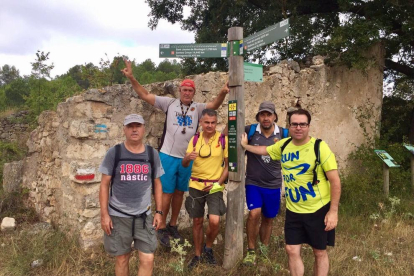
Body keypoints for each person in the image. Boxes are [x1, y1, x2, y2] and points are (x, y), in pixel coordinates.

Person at [121, 60, 229, 247]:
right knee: (167, 192)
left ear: (194, 93)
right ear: (180, 91)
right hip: (168, 155)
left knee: (180, 192)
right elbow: (145, 94)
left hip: (187, 158)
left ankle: (173, 224)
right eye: (184, 90)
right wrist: (131, 77)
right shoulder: (169, 103)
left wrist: (222, 92)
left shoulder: (198, 108)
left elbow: (215, 105)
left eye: (190, 90)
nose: (187, 93)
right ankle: (161, 226)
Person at [241, 109, 341, 276]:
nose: (298, 127)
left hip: (317, 209)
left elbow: (335, 181)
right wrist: (245, 146)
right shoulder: (284, 145)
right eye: (294, 124)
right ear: (289, 126)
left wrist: (333, 211)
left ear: (308, 126)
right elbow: (265, 150)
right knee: (291, 249)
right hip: (294, 210)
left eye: (303, 124)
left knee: (319, 252)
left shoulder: (319, 147)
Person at [99, 114, 164, 276]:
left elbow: (157, 183)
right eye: (130, 126)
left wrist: (159, 212)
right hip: (119, 216)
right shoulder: (115, 153)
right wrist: (104, 215)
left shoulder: (151, 154)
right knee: (122, 258)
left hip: (144, 216)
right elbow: (104, 184)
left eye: (138, 126)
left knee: (148, 258)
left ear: (144, 129)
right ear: (124, 130)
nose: (134, 129)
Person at [182, 109, 228, 269]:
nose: (209, 125)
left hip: (215, 185)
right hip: (196, 184)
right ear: (201, 122)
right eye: (206, 122)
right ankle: (197, 254)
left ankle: (208, 247)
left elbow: (228, 166)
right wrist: (187, 158)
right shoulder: (195, 139)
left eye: (213, 122)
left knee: (214, 221)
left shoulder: (222, 140)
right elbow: (184, 164)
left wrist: (218, 183)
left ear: (216, 123)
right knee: (197, 221)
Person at [242, 101, 287, 266]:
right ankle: (251, 251)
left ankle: (264, 250)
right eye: (263, 114)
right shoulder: (250, 131)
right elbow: (227, 133)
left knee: (268, 219)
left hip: (274, 184)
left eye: (269, 114)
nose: (266, 118)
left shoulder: (283, 133)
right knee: (254, 214)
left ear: (275, 116)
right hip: (253, 182)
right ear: (258, 116)